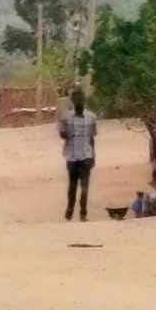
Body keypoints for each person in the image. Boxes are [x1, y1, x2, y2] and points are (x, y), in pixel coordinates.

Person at [59, 89, 97, 222]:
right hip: (71, 155)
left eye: (81, 99)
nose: (79, 102)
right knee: (72, 185)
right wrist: (63, 128)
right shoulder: (66, 117)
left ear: (84, 101)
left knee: (84, 186)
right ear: (73, 101)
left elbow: (92, 138)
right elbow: (63, 135)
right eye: (76, 99)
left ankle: (83, 212)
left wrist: (93, 156)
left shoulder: (91, 117)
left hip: (86, 155)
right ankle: (70, 209)